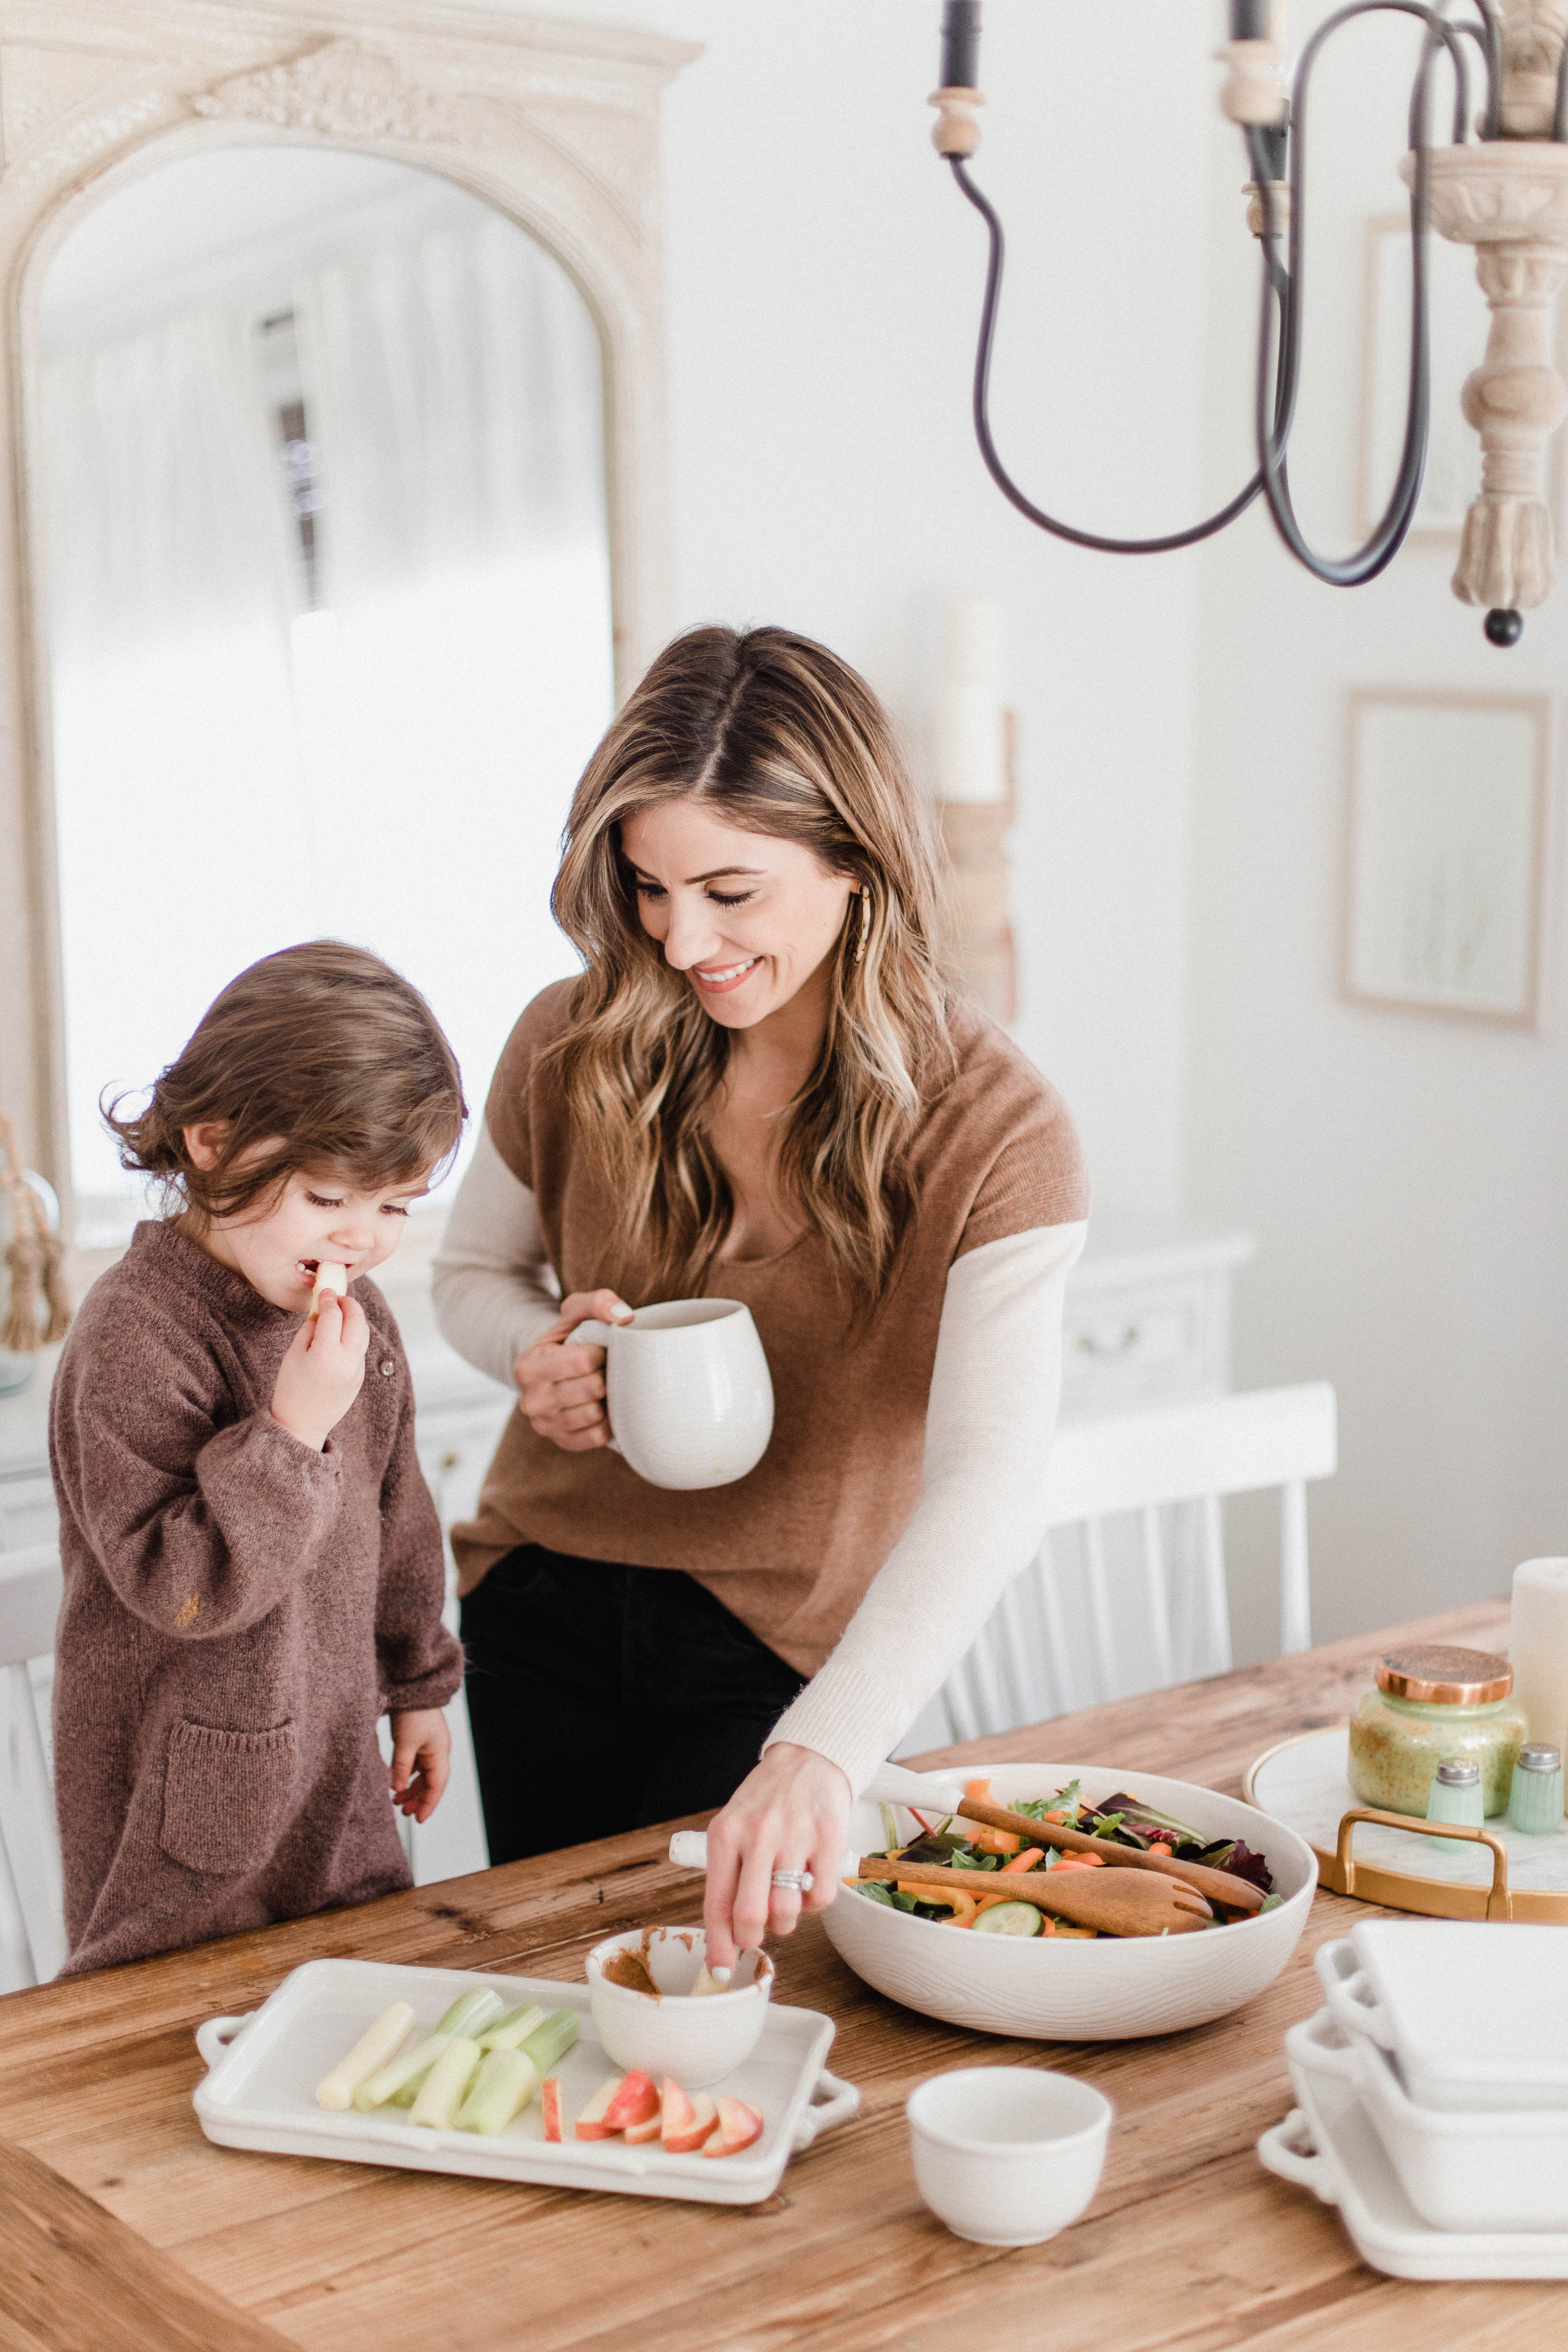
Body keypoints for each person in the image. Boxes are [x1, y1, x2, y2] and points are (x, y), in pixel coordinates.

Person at [434, 625, 1088, 1968]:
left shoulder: (999, 1128)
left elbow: (993, 1479)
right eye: (651, 887)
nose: (683, 940)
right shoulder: (572, 1040)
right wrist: (532, 1356)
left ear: (854, 861)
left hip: (787, 1649)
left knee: (724, 2005)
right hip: (539, 1601)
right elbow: (471, 1279)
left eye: (732, 893)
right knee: (569, 2002)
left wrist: (823, 1755)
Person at [50, 941, 466, 1974]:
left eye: (396, 1206)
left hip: (336, 1792)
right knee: (156, 2054)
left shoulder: (359, 1322)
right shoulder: (135, 1335)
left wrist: (416, 1682)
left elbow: (398, 1517)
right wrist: (289, 1436)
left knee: (357, 2015)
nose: (365, 1240)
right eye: (331, 1200)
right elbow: (179, 1586)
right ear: (212, 1144)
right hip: (184, 1831)